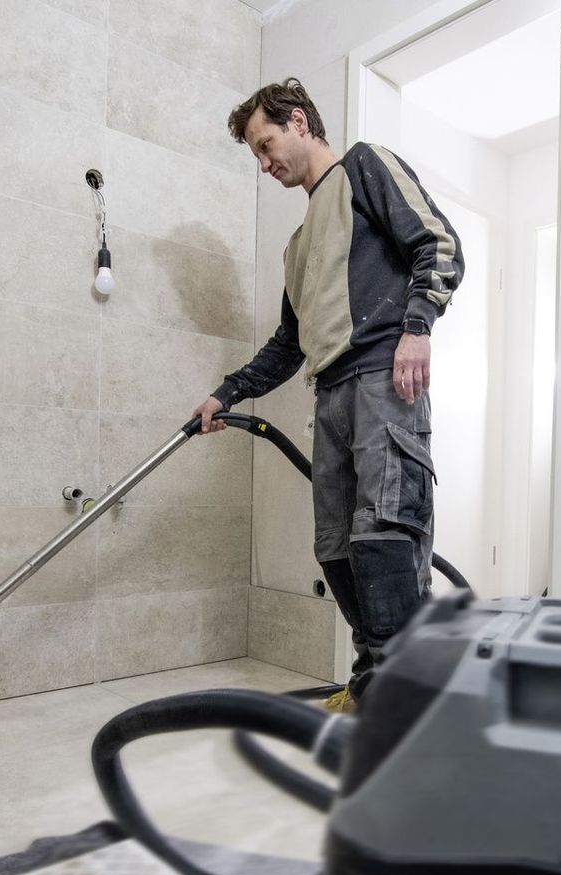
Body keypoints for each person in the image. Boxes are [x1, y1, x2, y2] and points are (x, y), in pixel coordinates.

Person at [192, 78, 463, 703]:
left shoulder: (366, 166)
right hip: (331, 394)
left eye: (266, 145)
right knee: (336, 546)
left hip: (383, 382)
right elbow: (289, 344)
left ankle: (406, 696)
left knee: (385, 531)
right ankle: (376, 676)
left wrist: (417, 327)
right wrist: (226, 394)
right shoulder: (298, 246)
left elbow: (439, 245)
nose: (265, 164)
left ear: (297, 121)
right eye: (256, 156)